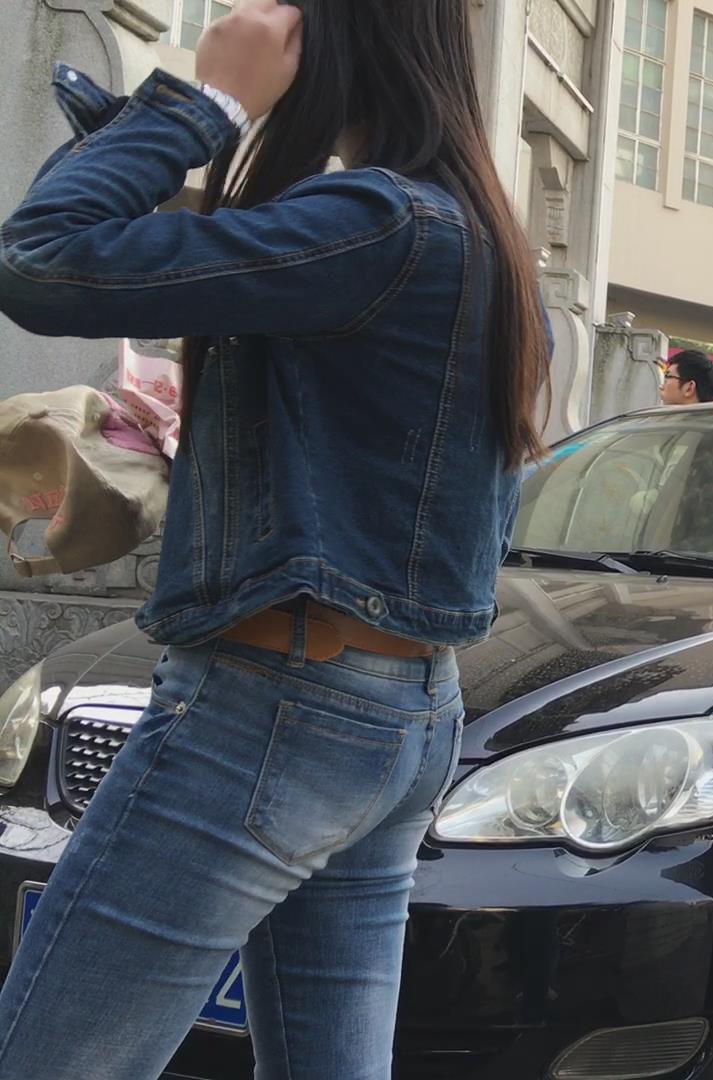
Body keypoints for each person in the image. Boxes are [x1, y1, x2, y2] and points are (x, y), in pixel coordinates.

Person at [0, 1, 548, 1077]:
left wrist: (202, 101)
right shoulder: (467, 228)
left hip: (275, 707)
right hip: (403, 710)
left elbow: (40, 258)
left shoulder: (376, 222)